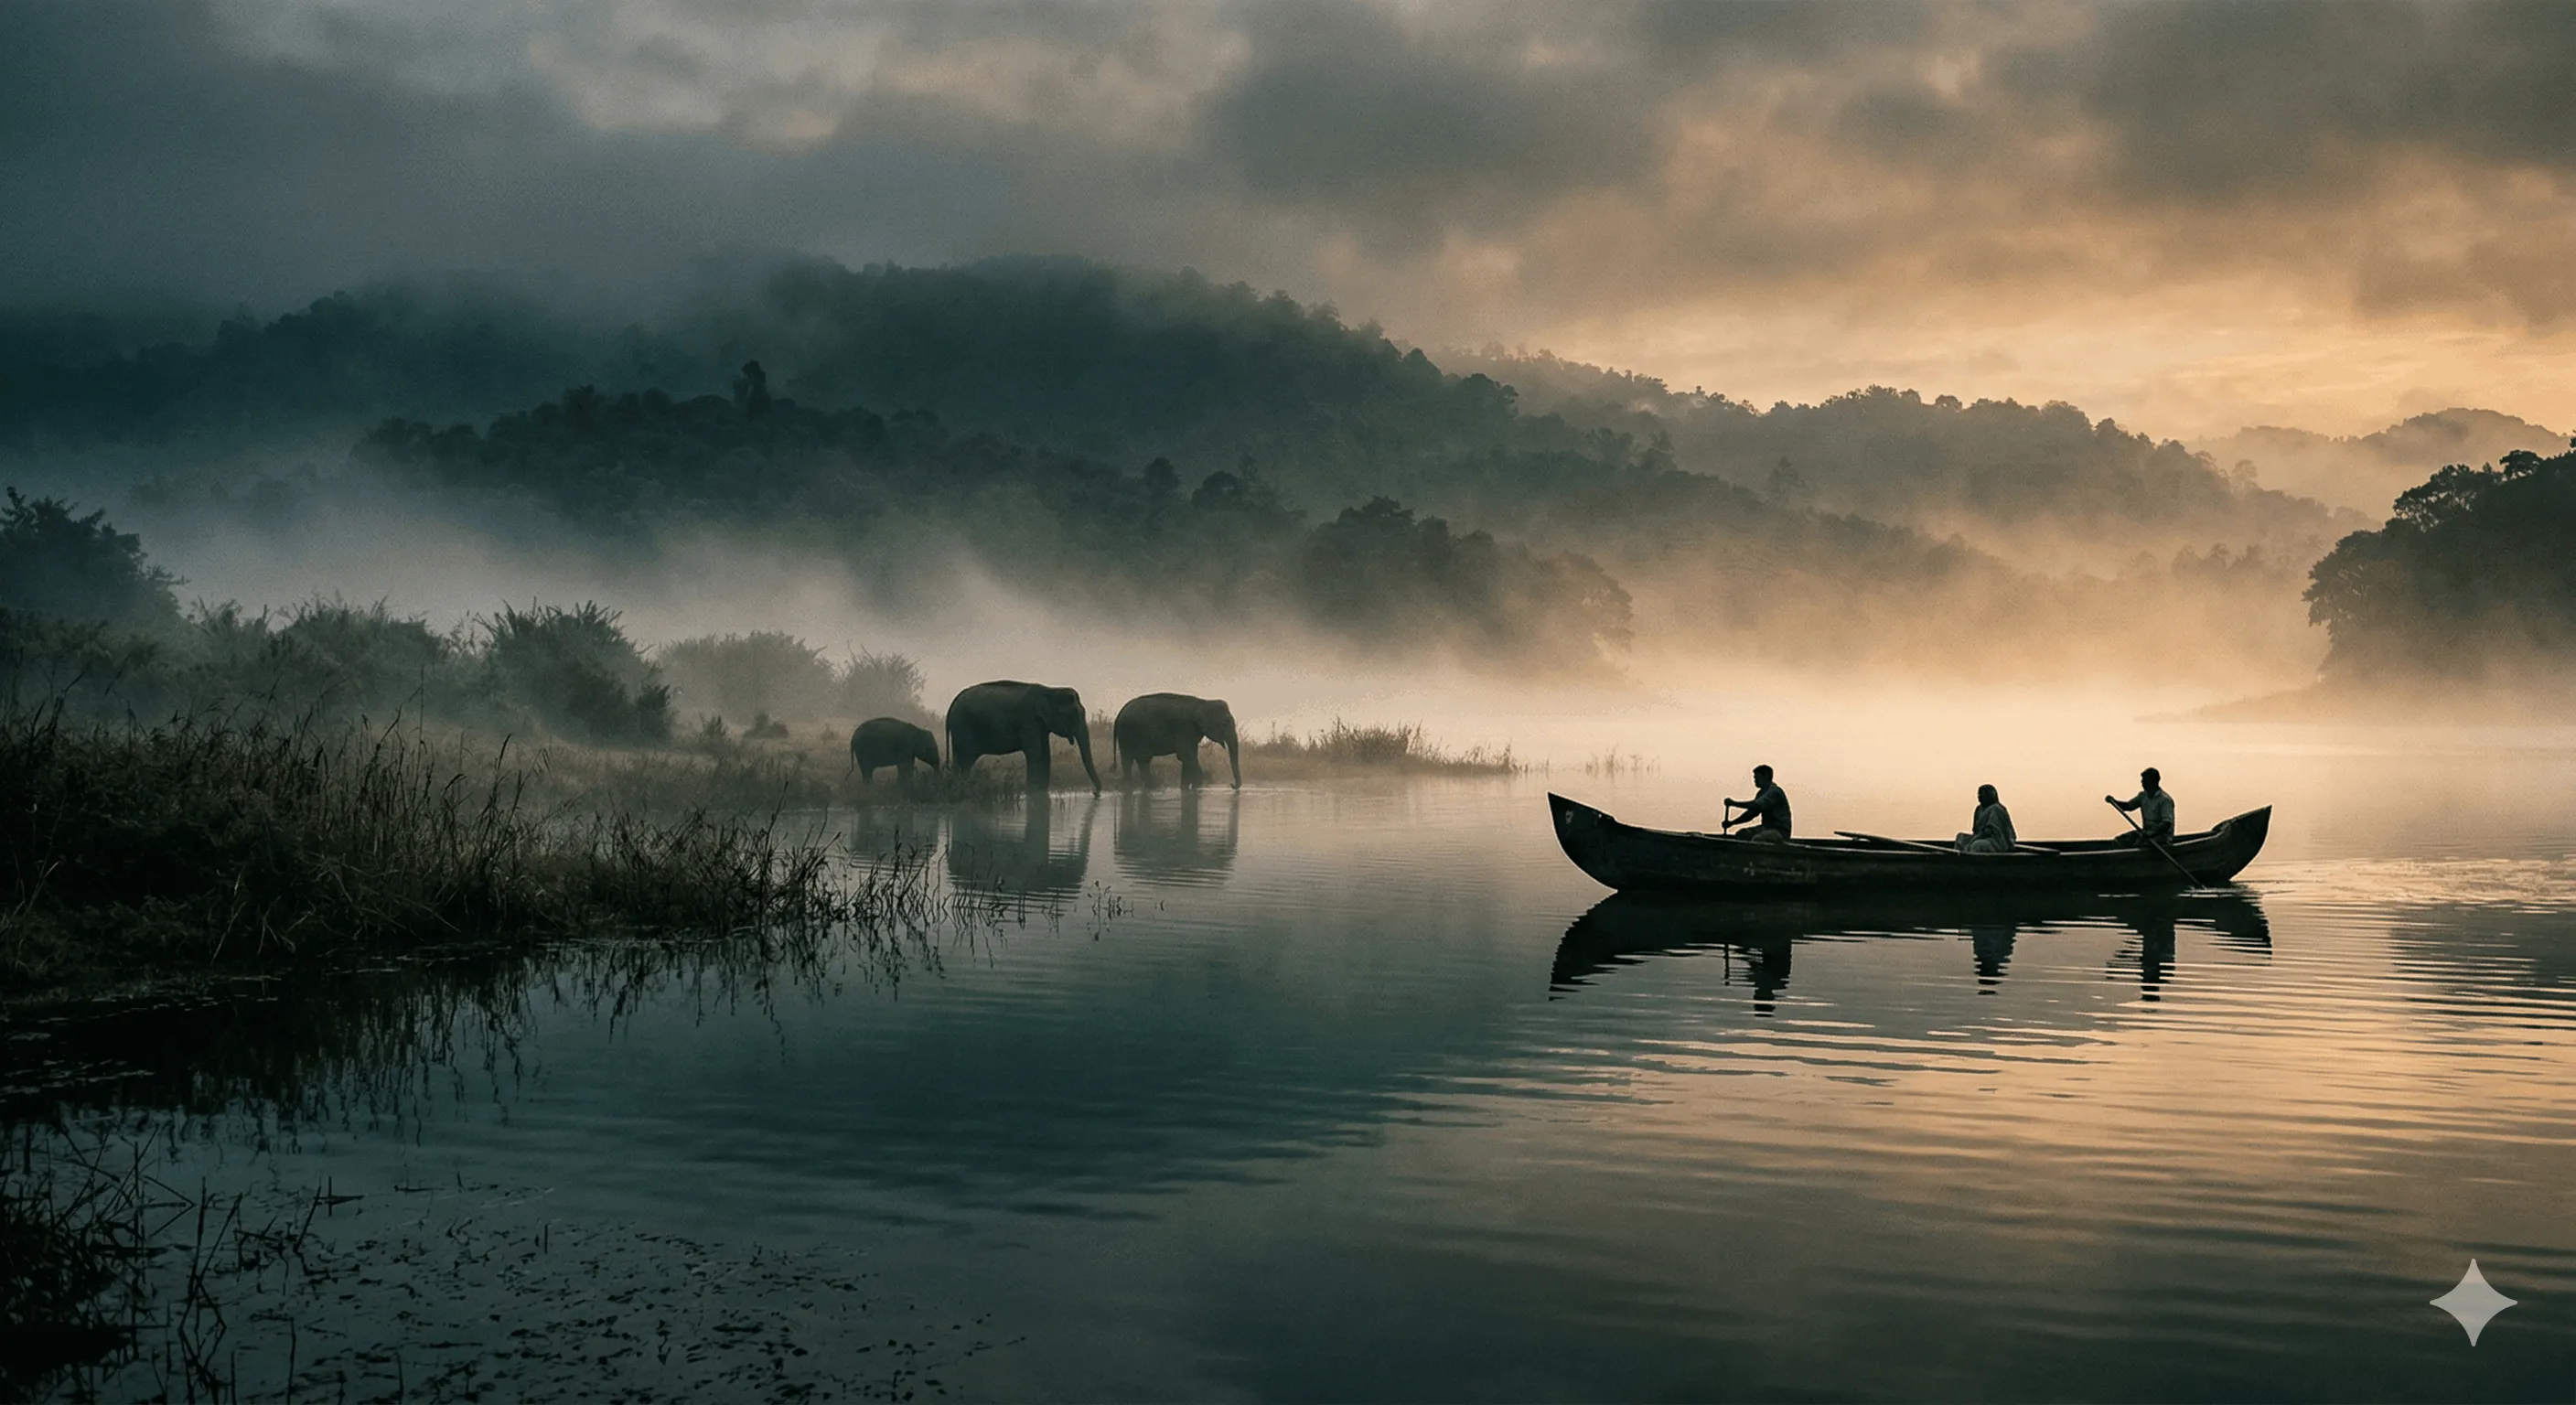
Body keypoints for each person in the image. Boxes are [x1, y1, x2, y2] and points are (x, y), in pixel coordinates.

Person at [1723, 764, 1793, 843]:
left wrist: (1734, 803)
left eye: (1757, 778)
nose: (1755, 781)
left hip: (1780, 832)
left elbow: (1756, 805)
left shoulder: (1774, 792)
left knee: (1758, 839)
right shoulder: (1761, 793)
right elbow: (1751, 814)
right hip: (1766, 828)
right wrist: (1732, 823)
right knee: (1742, 834)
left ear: (1765, 776)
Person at [2107, 767, 2175, 846]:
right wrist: (2114, 801)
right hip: (2145, 833)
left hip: (2162, 837)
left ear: (2153, 781)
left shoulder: (2165, 800)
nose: (2142, 782)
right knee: (2119, 841)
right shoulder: (2143, 796)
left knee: (2137, 845)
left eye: (2145, 780)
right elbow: (2128, 806)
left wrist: (2152, 833)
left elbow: (2166, 824)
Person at [1956, 783, 2016, 853]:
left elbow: (1989, 830)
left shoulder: (1996, 809)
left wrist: (1974, 839)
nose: (1979, 797)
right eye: (1978, 795)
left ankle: (1974, 863)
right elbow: (1975, 830)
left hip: (1996, 841)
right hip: (1980, 837)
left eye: (1981, 795)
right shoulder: (1979, 809)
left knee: (1977, 845)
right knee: (1961, 838)